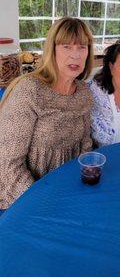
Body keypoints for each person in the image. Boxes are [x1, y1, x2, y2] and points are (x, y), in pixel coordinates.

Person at [0, 17, 94, 209]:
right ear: (52, 49)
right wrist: (44, 203)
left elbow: (85, 145)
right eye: (67, 46)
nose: (75, 55)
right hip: (24, 200)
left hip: (67, 191)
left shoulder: (84, 92)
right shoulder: (30, 90)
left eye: (82, 47)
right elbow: (7, 164)